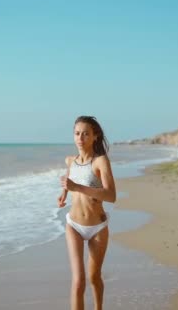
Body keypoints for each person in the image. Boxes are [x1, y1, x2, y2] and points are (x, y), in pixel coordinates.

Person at [58, 115, 116, 310]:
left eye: (85, 134)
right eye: (76, 134)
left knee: (94, 277)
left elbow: (111, 195)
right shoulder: (70, 160)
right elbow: (69, 177)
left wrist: (78, 187)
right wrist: (63, 193)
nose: (80, 138)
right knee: (78, 282)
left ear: (95, 137)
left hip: (97, 227)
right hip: (74, 225)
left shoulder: (100, 162)